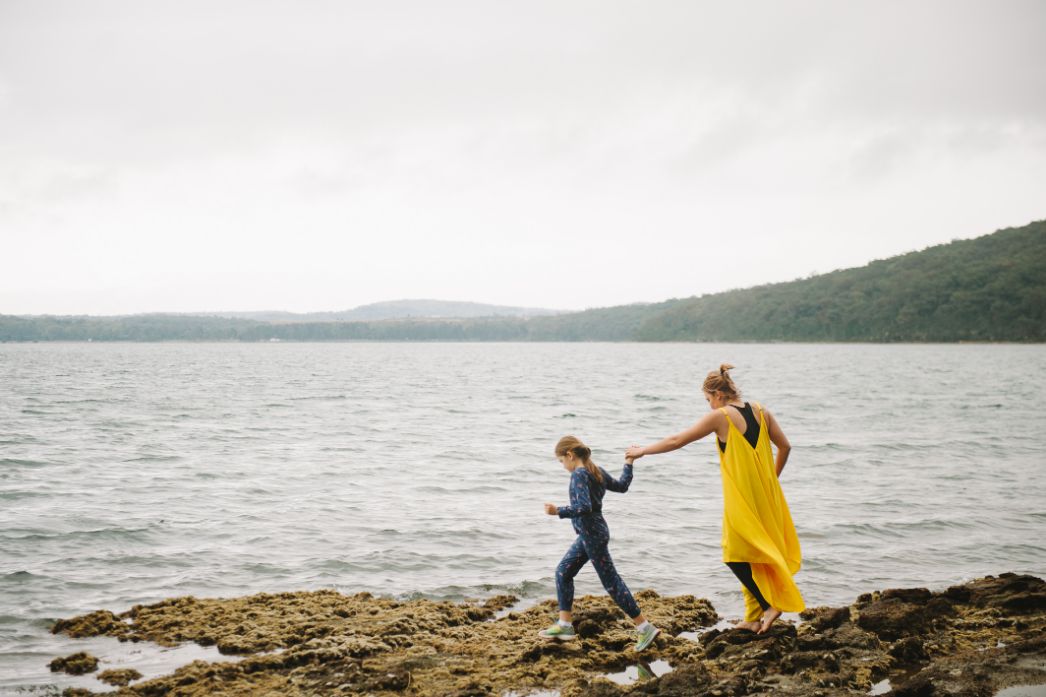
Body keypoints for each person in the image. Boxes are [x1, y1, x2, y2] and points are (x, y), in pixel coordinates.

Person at [625, 364, 804, 633]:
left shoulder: (722, 416)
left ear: (718, 394)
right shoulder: (761, 411)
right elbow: (785, 446)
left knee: (734, 552)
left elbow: (676, 440)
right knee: (751, 553)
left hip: (742, 499)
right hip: (768, 497)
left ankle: (769, 605)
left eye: (708, 400)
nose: (709, 406)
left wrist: (642, 451)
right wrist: (771, 480)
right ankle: (754, 616)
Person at [540, 435, 660, 652]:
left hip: (592, 534)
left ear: (570, 455)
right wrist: (629, 463)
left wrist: (558, 511)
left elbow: (584, 507)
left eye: (561, 461)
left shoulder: (579, 474)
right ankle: (565, 625)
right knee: (563, 572)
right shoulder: (595, 470)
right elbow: (622, 486)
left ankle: (645, 627)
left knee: (611, 582)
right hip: (592, 533)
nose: (562, 466)